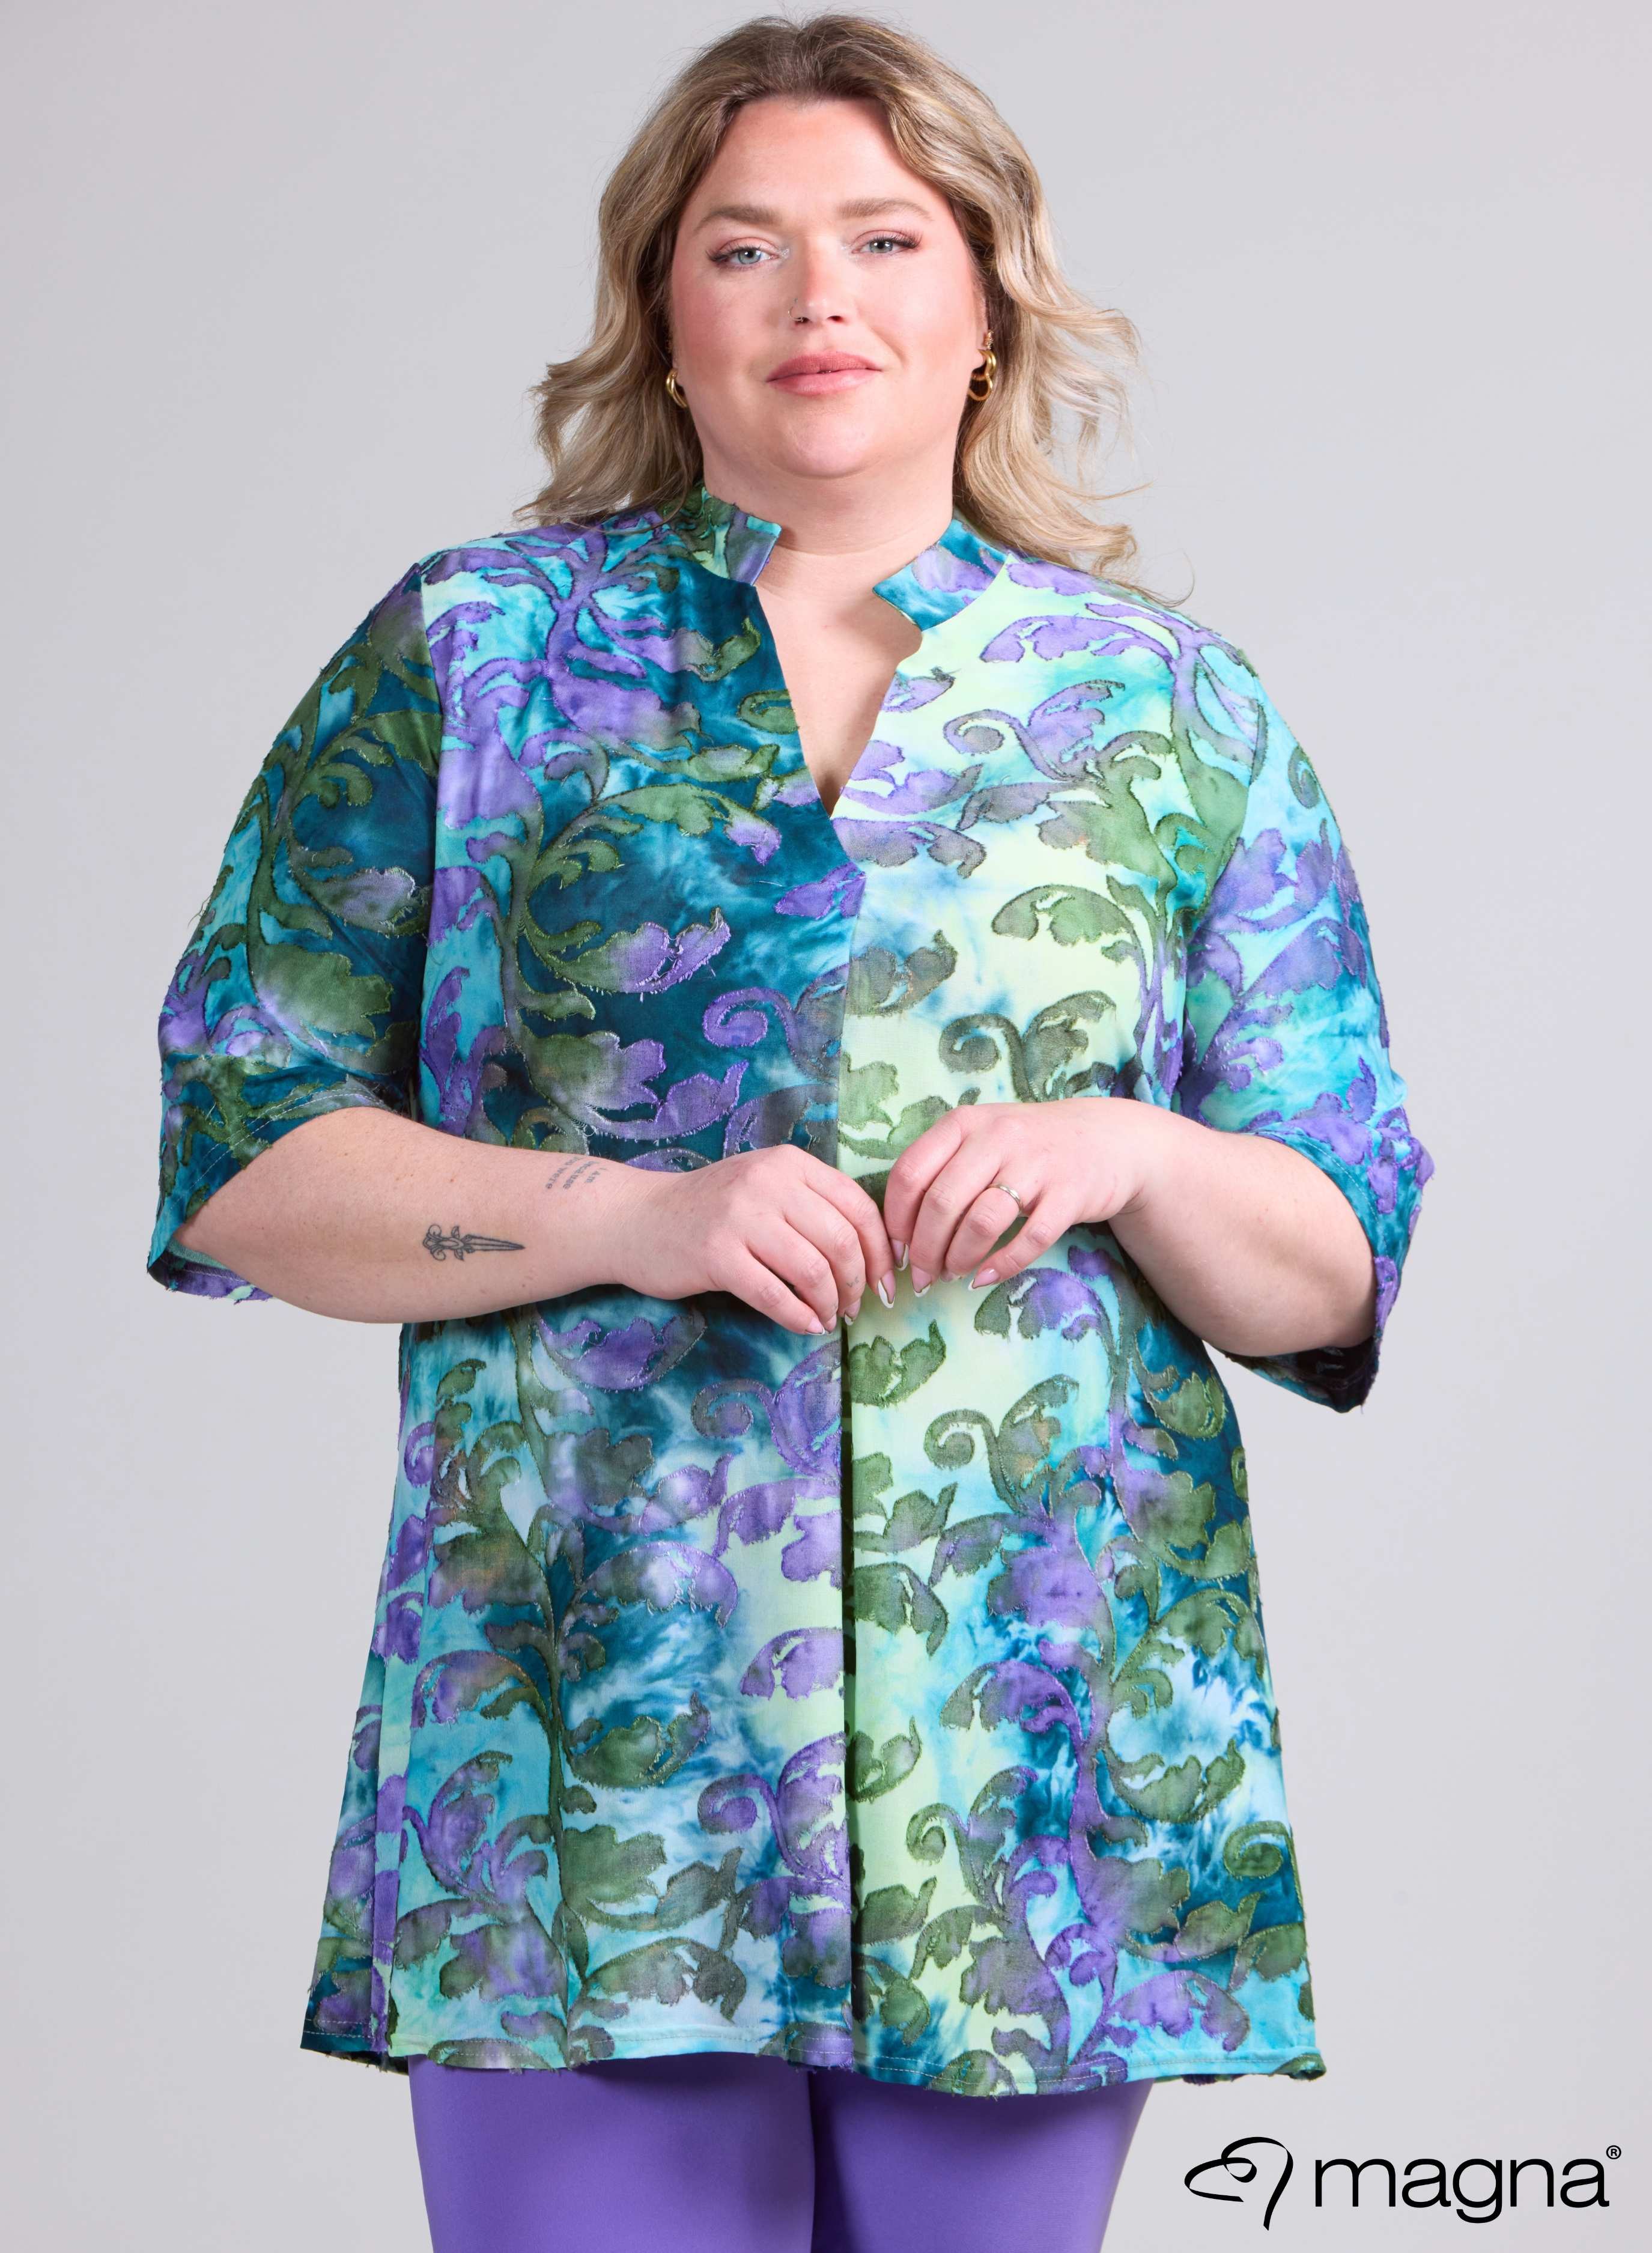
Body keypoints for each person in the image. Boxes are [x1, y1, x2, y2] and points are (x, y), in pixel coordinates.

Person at [145, 13, 1433, 2250]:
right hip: (579, 1759)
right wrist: (627, 1212)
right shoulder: (477, 656)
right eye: (744, 246)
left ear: (987, 302)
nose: (817, 295)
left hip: (1034, 1767)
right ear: (665, 312)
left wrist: (1130, 1153)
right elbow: (243, 1153)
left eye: (883, 238)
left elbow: (1333, 1261)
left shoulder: (1173, 713)